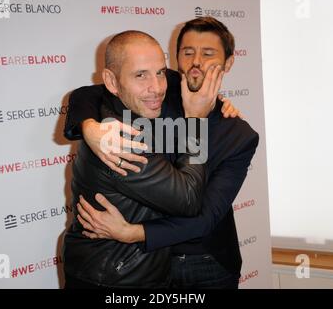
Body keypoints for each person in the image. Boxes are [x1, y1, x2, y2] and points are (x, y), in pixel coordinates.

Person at [66, 17, 259, 289]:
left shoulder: (239, 135)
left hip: (205, 260)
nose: (196, 63)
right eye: (188, 52)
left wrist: (134, 233)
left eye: (208, 54)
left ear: (228, 63)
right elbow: (87, 95)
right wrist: (88, 127)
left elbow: (205, 216)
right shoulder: (160, 92)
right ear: (176, 60)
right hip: (150, 264)